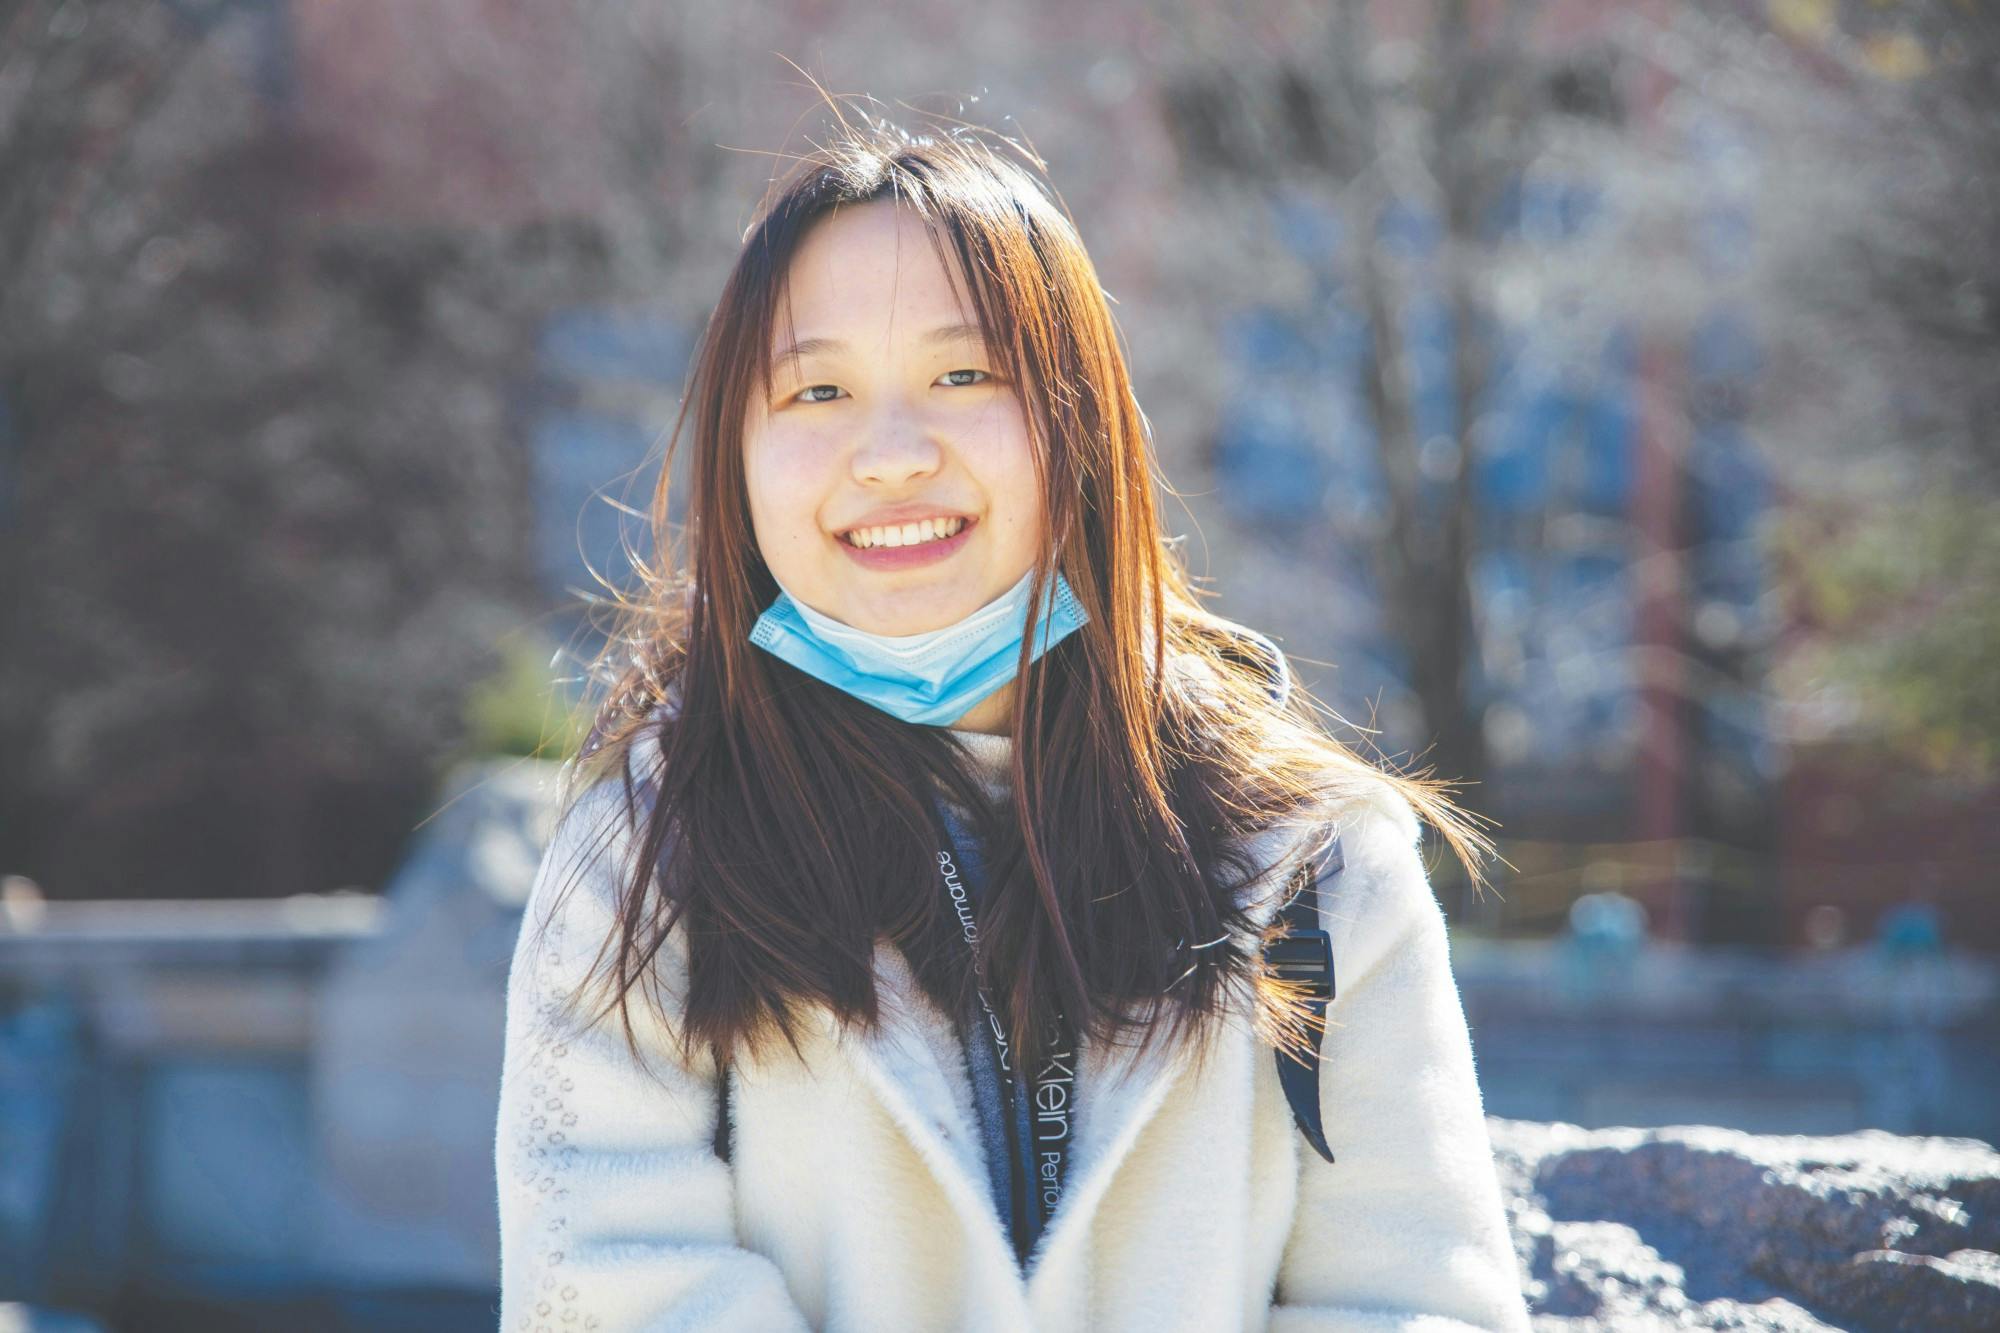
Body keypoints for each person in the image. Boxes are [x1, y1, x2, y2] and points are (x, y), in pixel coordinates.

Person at [495, 105, 1531, 1332]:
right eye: (817, 389)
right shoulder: (647, 856)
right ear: (737, 459)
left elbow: (1415, 1299)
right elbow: (611, 1292)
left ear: (1081, 426)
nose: (890, 453)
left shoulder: (1313, 861)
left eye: (962, 375)